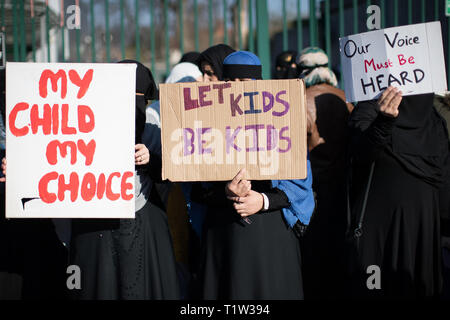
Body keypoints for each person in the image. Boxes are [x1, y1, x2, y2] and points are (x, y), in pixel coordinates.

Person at [195, 51, 315, 300]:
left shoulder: (283, 121)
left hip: (270, 240)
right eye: (232, 83)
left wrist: (262, 201)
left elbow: (299, 186)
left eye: (245, 84)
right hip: (224, 238)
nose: (238, 90)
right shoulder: (207, 123)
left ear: (258, 85)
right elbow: (198, 188)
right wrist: (226, 191)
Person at [69, 60, 180, 300]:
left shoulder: (156, 131)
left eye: (137, 99)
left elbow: (175, 171)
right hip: (96, 227)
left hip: (145, 225)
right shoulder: (80, 126)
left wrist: (151, 160)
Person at [347, 86, 450, 299]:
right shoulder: (374, 110)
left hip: (403, 234)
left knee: (392, 286)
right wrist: (383, 121)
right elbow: (360, 151)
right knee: (386, 286)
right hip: (399, 232)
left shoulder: (434, 121)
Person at [295, 47, 353, 299]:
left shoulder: (298, 102)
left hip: (309, 192)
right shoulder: (347, 99)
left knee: (313, 261)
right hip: (343, 190)